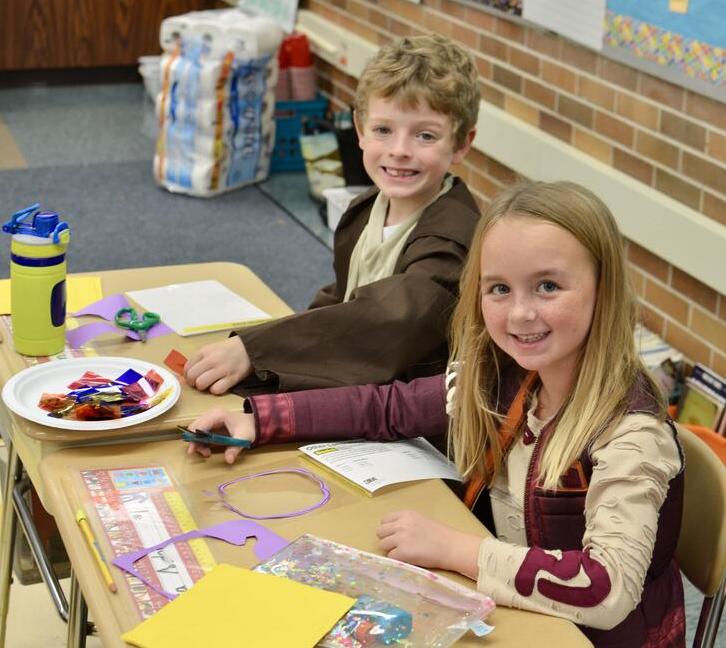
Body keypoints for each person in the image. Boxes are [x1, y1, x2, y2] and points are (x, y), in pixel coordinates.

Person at [189, 181, 686, 646]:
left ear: (604, 289)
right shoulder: (504, 374)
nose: (520, 314)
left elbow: (607, 590)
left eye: (548, 286)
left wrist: (455, 550)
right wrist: (261, 420)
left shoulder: (630, 432)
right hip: (509, 607)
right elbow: (387, 407)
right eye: (499, 289)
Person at [184, 33, 481, 396]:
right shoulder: (367, 208)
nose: (400, 150)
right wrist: (264, 343)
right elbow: (344, 298)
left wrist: (256, 350)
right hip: (364, 391)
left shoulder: (453, 242)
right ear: (359, 130)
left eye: (426, 136)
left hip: (415, 412)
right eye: (383, 130)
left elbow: (386, 320)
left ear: (461, 144)